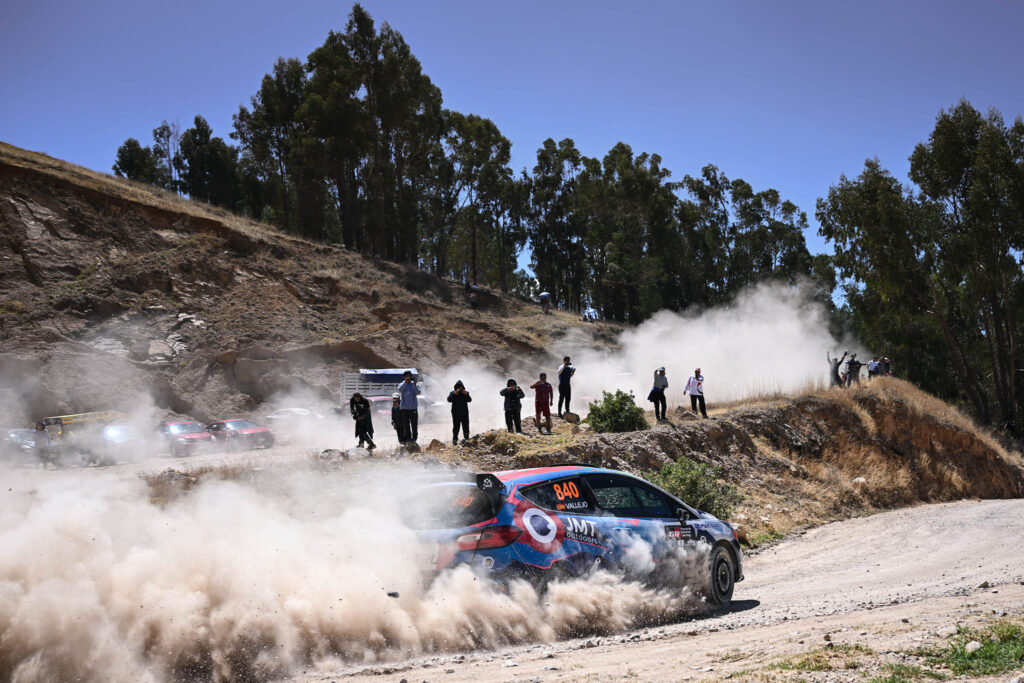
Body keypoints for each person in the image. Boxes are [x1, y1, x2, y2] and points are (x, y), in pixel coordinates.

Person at [447, 380, 472, 444]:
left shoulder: (465, 393)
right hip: (455, 413)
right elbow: (449, 400)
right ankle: (455, 439)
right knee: (456, 427)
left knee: (466, 426)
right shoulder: (452, 393)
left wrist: (466, 395)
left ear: (463, 387)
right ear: (456, 387)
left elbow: (470, 400)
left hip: (464, 413)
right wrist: (454, 394)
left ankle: (466, 438)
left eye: (461, 387)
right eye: (458, 387)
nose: (459, 388)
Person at [397, 370, 419, 443]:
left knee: (414, 424)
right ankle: (408, 438)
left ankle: (415, 437)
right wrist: (406, 382)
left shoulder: (414, 384)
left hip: (413, 408)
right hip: (404, 408)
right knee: (406, 425)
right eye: (406, 376)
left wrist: (415, 385)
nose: (408, 377)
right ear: (404, 377)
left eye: (409, 376)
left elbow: (418, 392)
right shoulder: (401, 384)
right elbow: (400, 390)